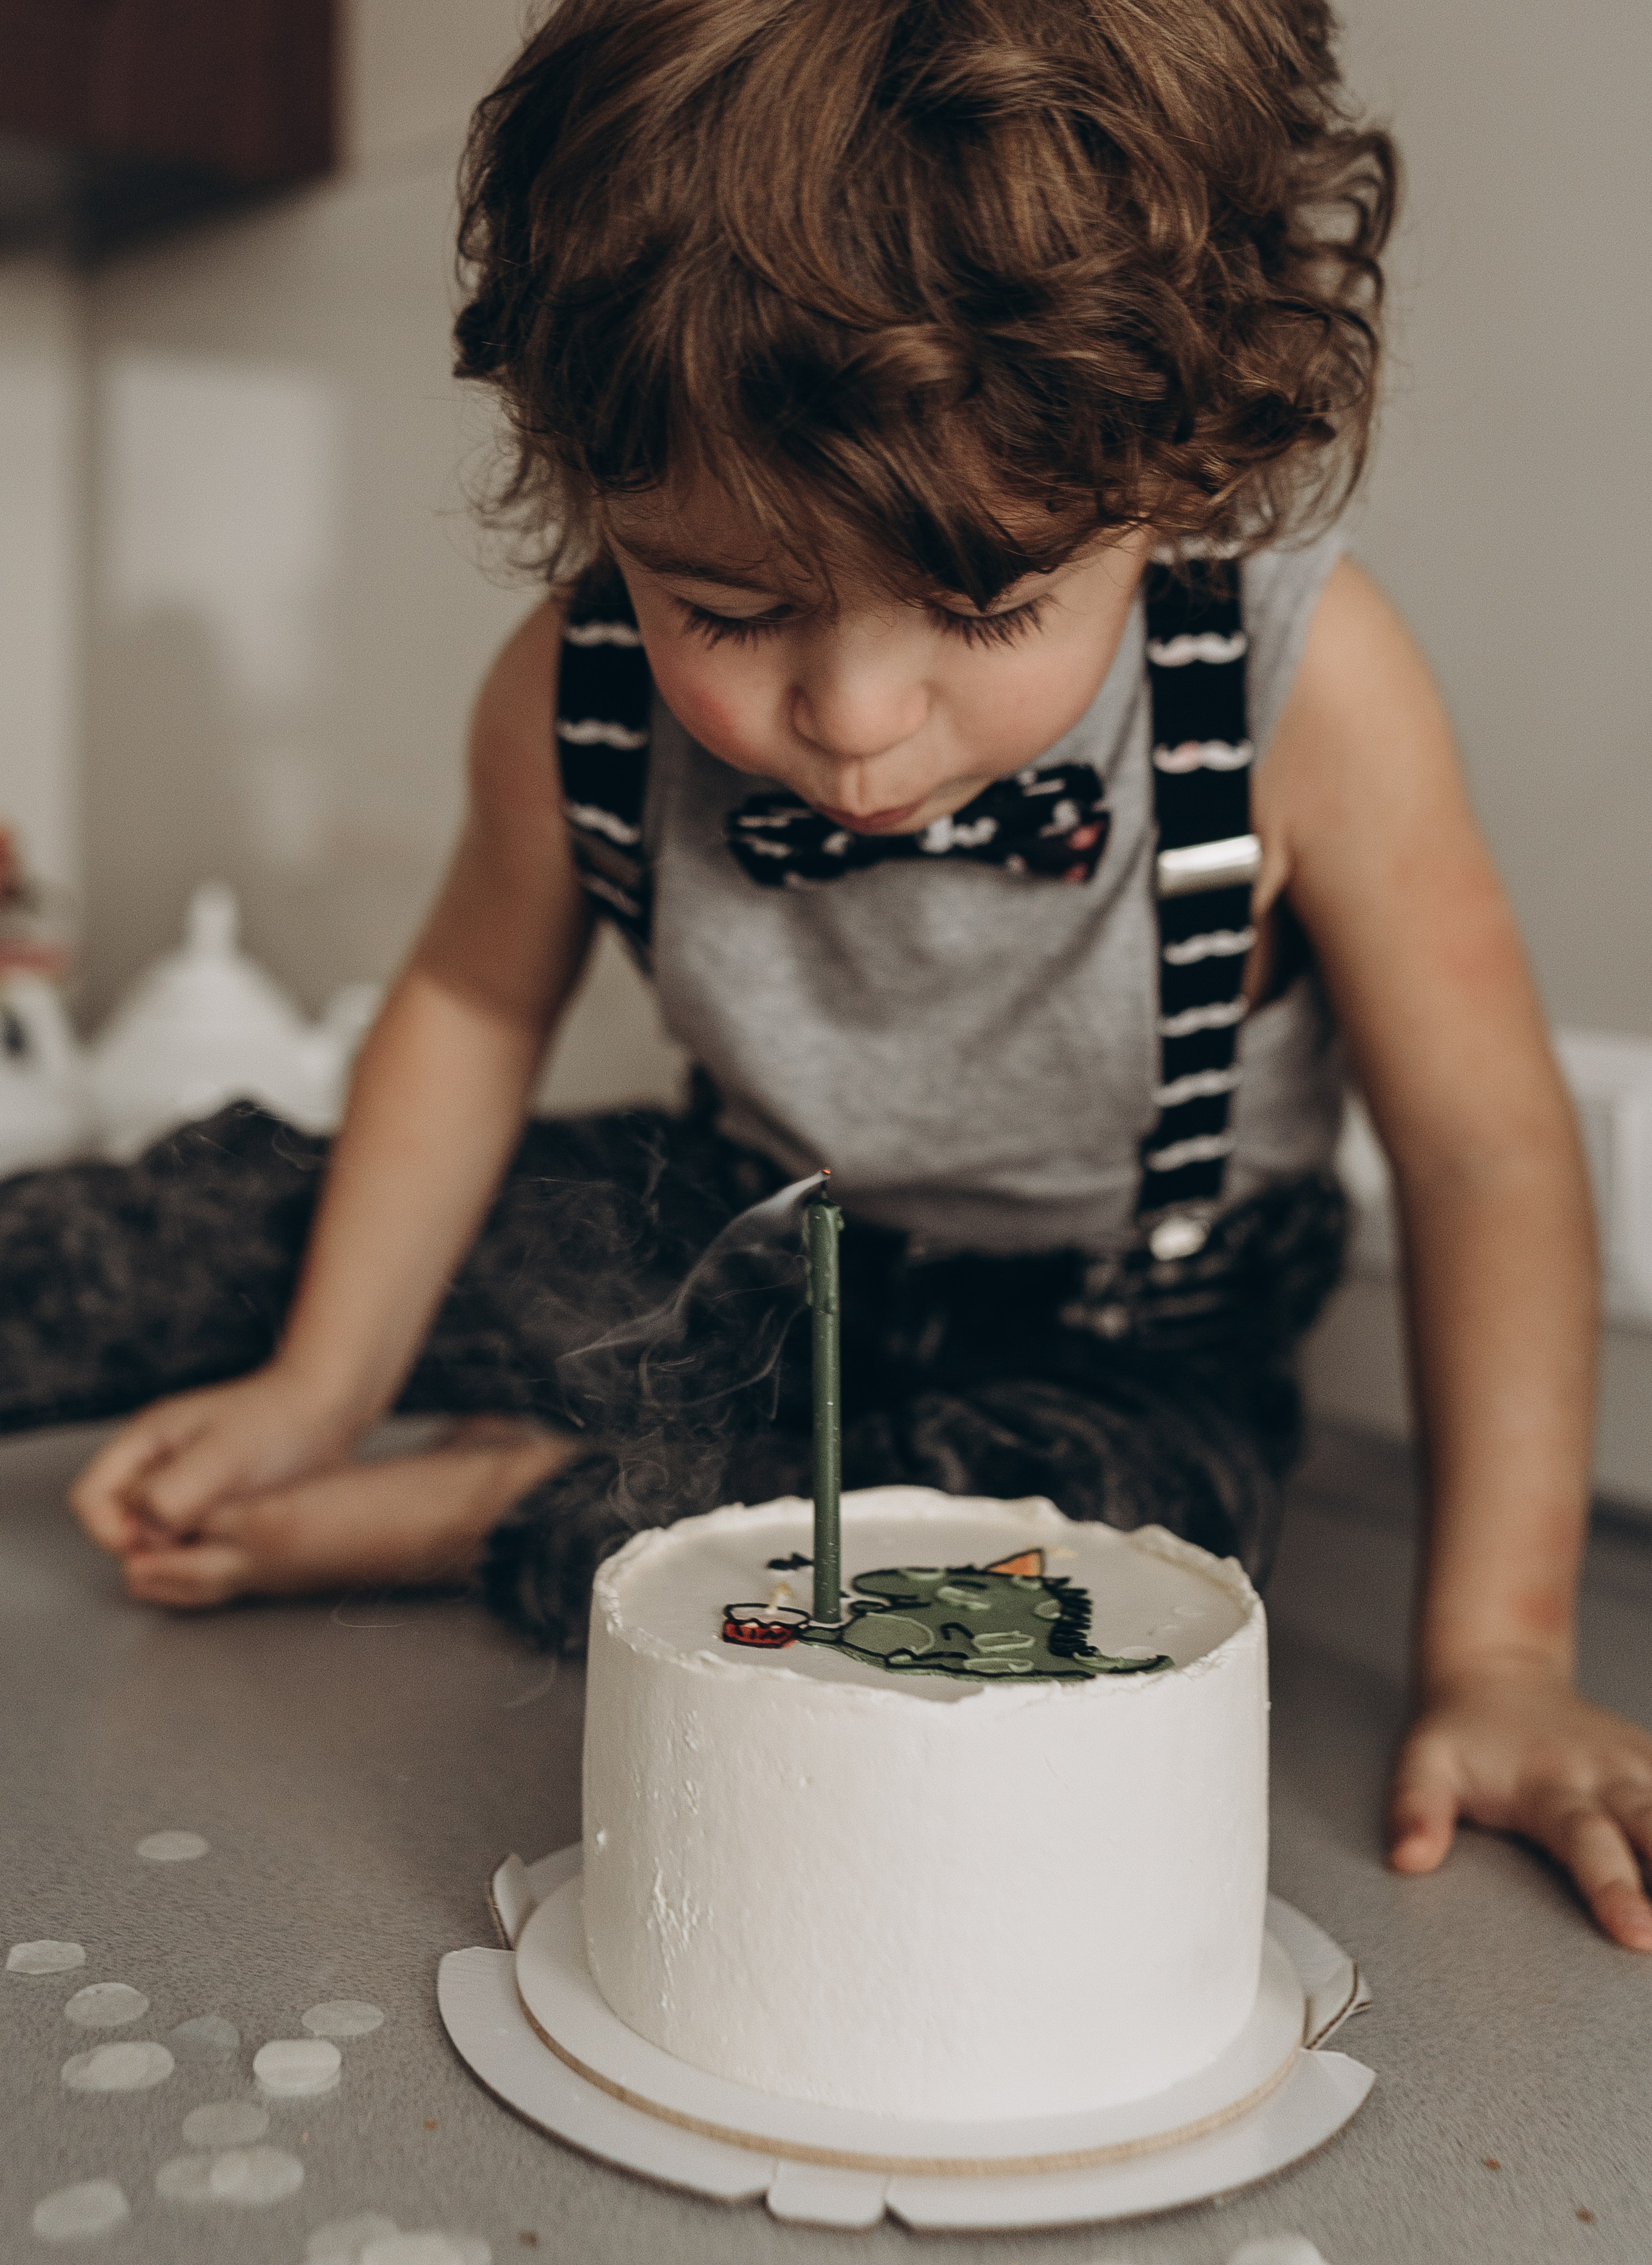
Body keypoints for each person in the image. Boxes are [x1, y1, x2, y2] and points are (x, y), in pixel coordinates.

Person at [7, 0, 1650, 1949]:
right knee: (243, 1212)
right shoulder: (573, 686)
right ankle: (494, 1442)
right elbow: (464, 1009)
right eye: (732, 605)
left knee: (1071, 1551)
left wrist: (1497, 1651)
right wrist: (316, 1376)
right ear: (593, 487)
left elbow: (1481, 1157)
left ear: (1185, 475)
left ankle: (504, 1509)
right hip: (754, 1239)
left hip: (1130, 1335)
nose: (857, 723)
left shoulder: (1300, 691)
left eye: (991, 606)